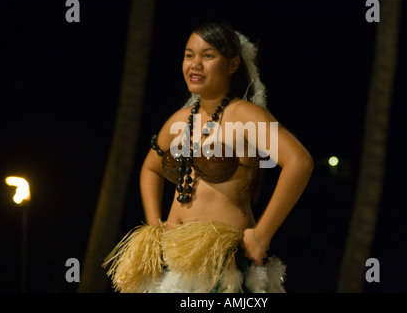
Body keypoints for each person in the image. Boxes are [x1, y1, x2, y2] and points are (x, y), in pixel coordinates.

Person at [103, 22, 313, 293]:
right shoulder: (179, 120)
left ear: (233, 64)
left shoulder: (245, 115)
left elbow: (299, 163)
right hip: (174, 260)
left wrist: (262, 235)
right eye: (189, 55)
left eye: (208, 55)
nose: (195, 64)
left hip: (223, 265)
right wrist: (156, 225)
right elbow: (150, 169)